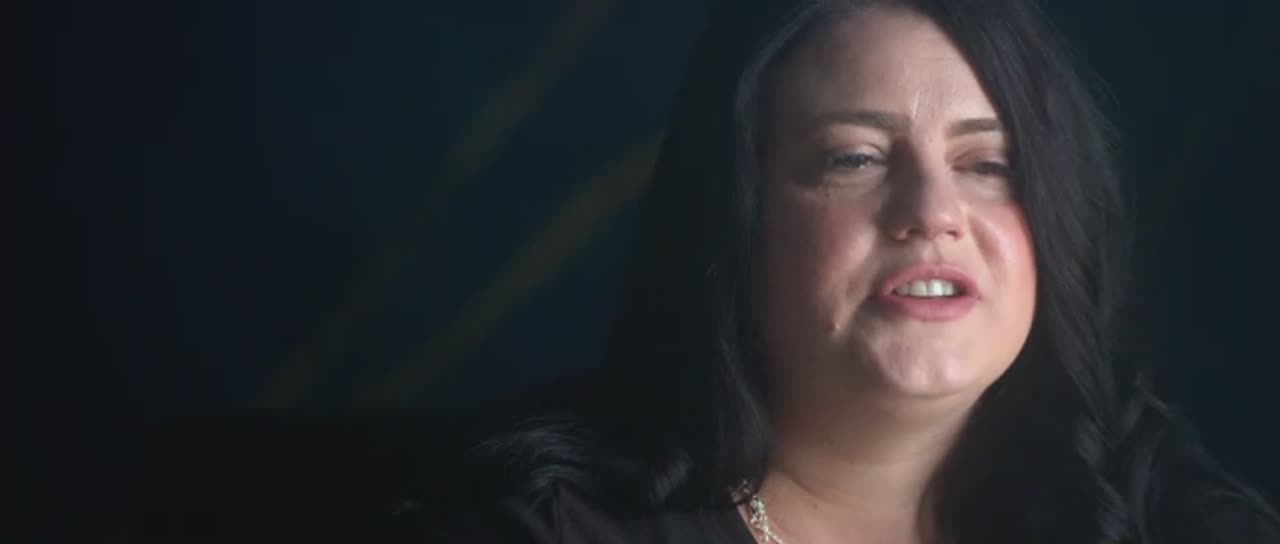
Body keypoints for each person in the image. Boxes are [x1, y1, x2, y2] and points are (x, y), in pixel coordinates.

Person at [437, 0, 1280, 542]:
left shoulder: (1151, 502)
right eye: (855, 158)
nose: (934, 210)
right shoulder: (541, 525)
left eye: (988, 164)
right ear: (734, 215)